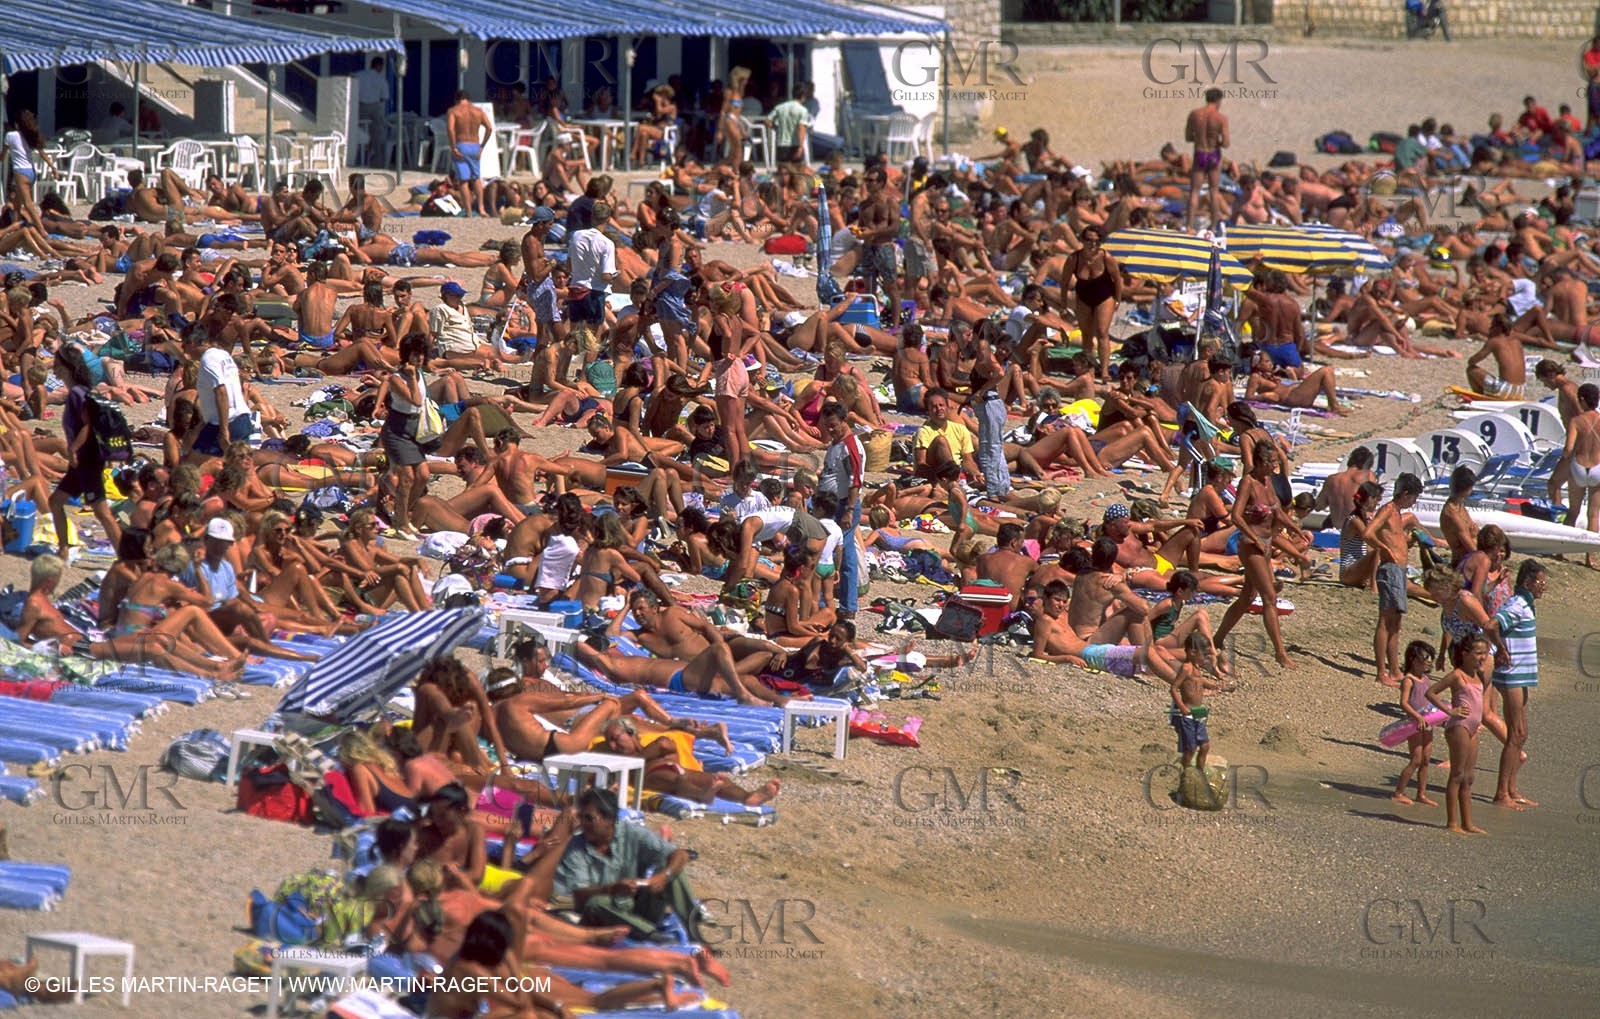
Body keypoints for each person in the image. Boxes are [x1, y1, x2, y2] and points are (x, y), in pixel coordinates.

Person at [552, 788, 707, 941]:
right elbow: (579, 898)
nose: (583, 824)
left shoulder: (632, 833)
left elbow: (680, 854)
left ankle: (693, 930)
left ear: (609, 819)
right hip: (607, 913)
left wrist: (662, 877)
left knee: (672, 870)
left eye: (589, 818)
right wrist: (611, 889)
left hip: (637, 905)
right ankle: (652, 936)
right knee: (596, 903)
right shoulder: (575, 848)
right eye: (582, 818)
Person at [1210, 444, 1296, 670]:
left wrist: (1295, 529)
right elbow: (1236, 516)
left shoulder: (1268, 482)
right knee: (1269, 597)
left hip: (1266, 543)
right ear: (1259, 462)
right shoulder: (1247, 483)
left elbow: (1277, 512)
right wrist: (1254, 538)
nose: (1275, 466)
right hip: (1250, 545)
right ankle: (1280, 653)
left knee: (1247, 597)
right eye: (1271, 462)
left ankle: (1218, 638)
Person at [48, 346, 122, 560]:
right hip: (81, 463)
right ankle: (63, 549)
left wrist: (73, 448)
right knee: (56, 502)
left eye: (58, 365)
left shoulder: (78, 394)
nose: (54, 369)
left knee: (102, 512)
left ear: (69, 368)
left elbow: (89, 424)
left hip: (87, 461)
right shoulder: (77, 392)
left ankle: (125, 557)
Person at [1488, 559, 1544, 811]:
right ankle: (1502, 793)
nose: (1543, 587)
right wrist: (1500, 650)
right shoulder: (1517, 604)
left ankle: (1511, 789)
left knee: (1521, 733)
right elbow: (1492, 624)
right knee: (1515, 734)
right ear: (1527, 582)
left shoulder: (1527, 603)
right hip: (1511, 674)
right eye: (1541, 582)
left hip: (1520, 675)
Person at [1427, 637, 1491, 836]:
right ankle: (1452, 822)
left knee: (1468, 777)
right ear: (1464, 653)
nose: (1483, 657)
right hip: (1458, 726)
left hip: (1472, 727)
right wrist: (1449, 711)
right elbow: (1431, 692)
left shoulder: (1479, 675)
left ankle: (1468, 822)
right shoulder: (1457, 675)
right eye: (1478, 653)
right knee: (1457, 774)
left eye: (1485, 653)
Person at [1367, 473, 1423, 688]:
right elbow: (1368, 533)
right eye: (1414, 497)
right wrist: (1385, 550)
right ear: (1406, 494)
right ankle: (1381, 672)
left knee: (1396, 622)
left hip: (1398, 570)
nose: (1415, 502)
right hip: (1389, 569)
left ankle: (1394, 669)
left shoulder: (1397, 513)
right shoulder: (1388, 510)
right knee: (1385, 621)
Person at [816, 402, 864, 620]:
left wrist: (849, 510)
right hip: (831, 504)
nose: (830, 429)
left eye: (834, 425)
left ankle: (843, 605)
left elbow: (856, 481)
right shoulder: (835, 444)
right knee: (845, 554)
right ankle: (845, 604)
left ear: (845, 421)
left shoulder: (850, 446)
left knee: (839, 553)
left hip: (844, 505)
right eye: (827, 426)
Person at [567, 201, 617, 370]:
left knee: (573, 335)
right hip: (594, 291)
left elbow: (569, 263)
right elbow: (605, 275)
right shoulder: (607, 243)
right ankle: (585, 375)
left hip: (575, 287)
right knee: (593, 338)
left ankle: (562, 370)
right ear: (608, 219)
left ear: (591, 217)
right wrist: (615, 275)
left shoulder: (575, 236)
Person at [1392, 640, 1440, 807]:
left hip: (1427, 723)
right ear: (1413, 659)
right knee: (1416, 759)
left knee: (1426, 759)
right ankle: (1398, 792)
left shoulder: (1425, 679)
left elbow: (1429, 699)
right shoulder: (1409, 680)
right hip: (1414, 724)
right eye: (1425, 657)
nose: (1428, 661)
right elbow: (1404, 703)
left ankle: (1421, 793)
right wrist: (1417, 716)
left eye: (1430, 658)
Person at [1170, 630, 1226, 774]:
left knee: (1205, 746)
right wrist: (1181, 707)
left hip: (1198, 712)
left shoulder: (1196, 667)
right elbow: (1174, 688)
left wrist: (1215, 686)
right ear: (1193, 652)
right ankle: (1185, 772)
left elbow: (1199, 681)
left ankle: (1199, 773)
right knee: (1191, 748)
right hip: (1188, 714)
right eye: (1204, 654)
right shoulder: (1186, 668)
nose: (1207, 658)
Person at [196, 323, 252, 457]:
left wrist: (224, 429)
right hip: (241, 418)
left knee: (197, 462)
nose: (184, 350)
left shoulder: (208, 359)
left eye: (185, 345)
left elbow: (221, 392)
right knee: (238, 467)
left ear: (193, 343)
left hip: (224, 422)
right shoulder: (224, 355)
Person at [1563, 383, 1600, 568]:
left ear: (1583, 400)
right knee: (1593, 514)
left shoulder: (1576, 421)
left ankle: (1561, 550)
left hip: (1579, 466)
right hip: (1597, 468)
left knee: (1573, 511)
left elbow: (1568, 449)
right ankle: (1590, 557)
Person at [1184, 88, 1229, 231]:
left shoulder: (1195, 114)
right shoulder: (1221, 118)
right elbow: (1226, 143)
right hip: (1214, 153)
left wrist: (1199, 139)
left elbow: (1188, 137)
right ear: (1218, 100)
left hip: (1200, 152)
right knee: (1214, 190)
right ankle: (1214, 225)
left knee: (1195, 191)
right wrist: (1216, 142)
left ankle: (1189, 225)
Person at [446, 90, 492, 217]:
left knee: (463, 180)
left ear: (456, 100)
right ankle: (482, 208)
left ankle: (469, 211)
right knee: (476, 178)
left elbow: (450, 129)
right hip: (475, 145)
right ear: (469, 99)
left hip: (461, 145)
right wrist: (482, 145)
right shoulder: (478, 111)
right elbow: (489, 128)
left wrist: (453, 147)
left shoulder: (454, 111)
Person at [354, 57, 390, 167]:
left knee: (358, 131)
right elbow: (384, 97)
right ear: (379, 66)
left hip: (360, 106)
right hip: (374, 106)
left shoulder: (359, 75)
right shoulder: (380, 79)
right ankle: (377, 161)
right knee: (377, 134)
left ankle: (357, 159)